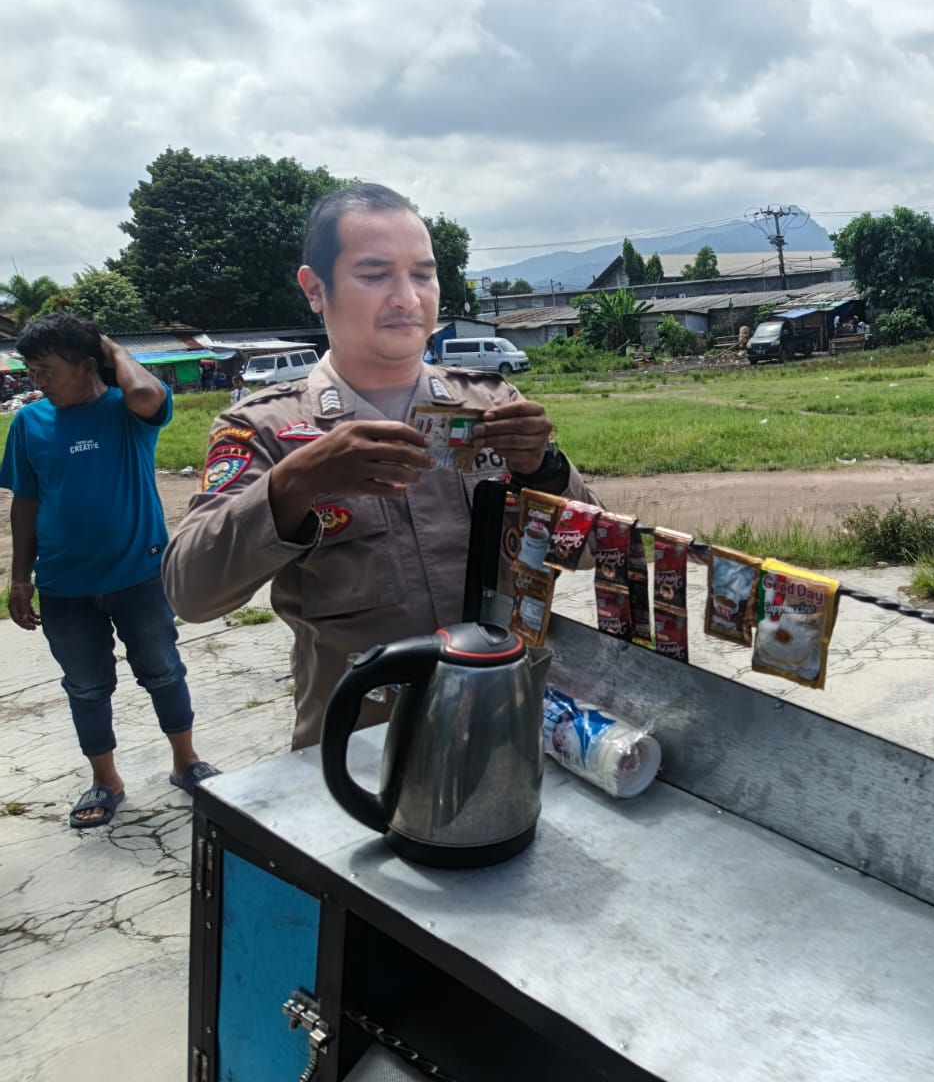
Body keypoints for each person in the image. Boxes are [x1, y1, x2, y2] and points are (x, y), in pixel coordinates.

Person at [163, 183, 601, 749]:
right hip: (361, 749)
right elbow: (191, 595)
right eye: (375, 274)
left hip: (507, 725)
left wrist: (544, 469)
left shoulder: (492, 404)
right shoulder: (266, 428)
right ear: (315, 289)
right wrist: (294, 483)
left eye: (423, 274)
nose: (407, 298)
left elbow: (591, 552)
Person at [2, 314, 217, 829]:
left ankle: (186, 763)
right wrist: (19, 577)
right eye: (32, 370)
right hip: (64, 586)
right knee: (85, 687)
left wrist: (110, 347)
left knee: (163, 671)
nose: (38, 380)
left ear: (85, 363)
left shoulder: (126, 409)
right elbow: (25, 503)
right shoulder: (30, 423)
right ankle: (107, 781)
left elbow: (147, 392)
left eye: (48, 369)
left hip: (139, 575)